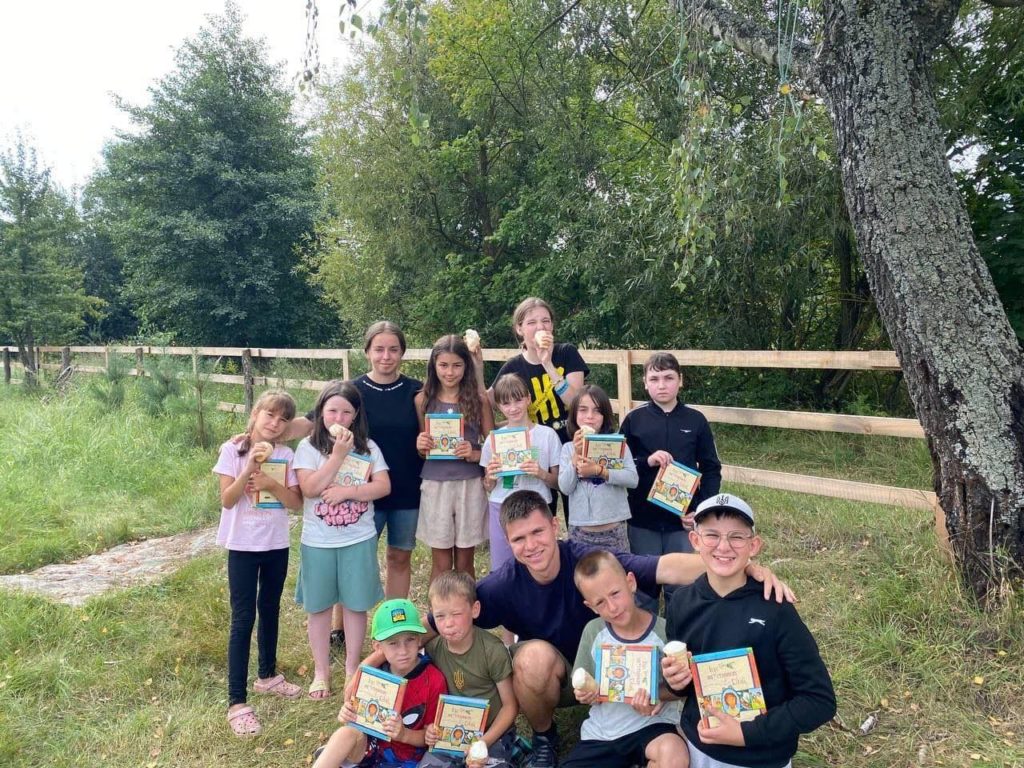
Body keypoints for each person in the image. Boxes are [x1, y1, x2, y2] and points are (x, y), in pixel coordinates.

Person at [472, 490, 793, 768]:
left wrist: (743, 566)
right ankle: (544, 736)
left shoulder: (590, 564)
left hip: (616, 679)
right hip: (562, 678)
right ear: (507, 541)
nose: (531, 545)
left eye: (538, 532)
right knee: (532, 658)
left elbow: (666, 567)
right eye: (519, 538)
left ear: (555, 526)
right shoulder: (502, 585)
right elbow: (452, 615)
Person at [662, 493, 836, 768]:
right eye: (712, 535)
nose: (724, 546)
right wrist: (675, 680)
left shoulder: (776, 610)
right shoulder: (681, 603)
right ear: (695, 541)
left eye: (736, 537)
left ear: (753, 545)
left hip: (760, 756)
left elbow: (819, 700)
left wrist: (746, 733)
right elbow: (686, 686)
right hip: (698, 748)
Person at [214, 389, 304, 736]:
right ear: (255, 414)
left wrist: (270, 482)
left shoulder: (286, 454)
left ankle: (267, 675)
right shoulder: (232, 450)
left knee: (270, 609)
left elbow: (295, 502)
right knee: (243, 616)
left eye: (283, 419)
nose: (275, 423)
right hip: (242, 545)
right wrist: (250, 467)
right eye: (270, 415)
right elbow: (227, 499)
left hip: (275, 543)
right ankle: (237, 701)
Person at [294, 380, 391, 698]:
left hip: (358, 537)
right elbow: (309, 489)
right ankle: (321, 671)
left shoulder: (369, 447)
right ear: (321, 411)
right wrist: (337, 456)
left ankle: (352, 667)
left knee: (355, 605)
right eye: (331, 410)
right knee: (319, 608)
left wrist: (348, 491)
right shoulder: (308, 448)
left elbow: (383, 486)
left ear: (355, 416)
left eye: (345, 412)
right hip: (318, 541)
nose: (338, 417)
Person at [563, 551, 687, 768]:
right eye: (600, 602)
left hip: (653, 727)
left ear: (631, 582)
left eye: (615, 593)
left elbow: (684, 688)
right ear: (590, 606)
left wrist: (658, 695)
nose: (612, 607)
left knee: (674, 754)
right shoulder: (593, 632)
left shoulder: (665, 632)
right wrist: (586, 693)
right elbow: (582, 685)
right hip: (603, 733)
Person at [621, 352, 722, 607]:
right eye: (654, 379)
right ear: (644, 383)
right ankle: (647, 637)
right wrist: (647, 461)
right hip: (643, 519)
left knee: (682, 587)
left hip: (683, 521)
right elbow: (620, 466)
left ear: (681, 380)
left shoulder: (695, 420)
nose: (662, 385)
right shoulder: (634, 420)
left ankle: (681, 636)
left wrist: (702, 509)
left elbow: (711, 468)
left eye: (668, 378)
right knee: (645, 588)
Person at [477, 297, 589, 523]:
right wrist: (478, 370)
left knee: (576, 517)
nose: (540, 327)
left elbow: (575, 401)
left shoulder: (566, 353)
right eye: (532, 322)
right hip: (535, 447)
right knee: (539, 516)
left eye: (546, 321)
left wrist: (547, 364)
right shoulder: (513, 367)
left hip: (571, 444)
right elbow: (486, 402)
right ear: (519, 329)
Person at [312, 599, 448, 768]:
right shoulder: (372, 677)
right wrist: (348, 714)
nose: (403, 650)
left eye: (410, 640)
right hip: (368, 750)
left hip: (406, 759)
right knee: (345, 734)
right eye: (393, 643)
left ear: (420, 639)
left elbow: (431, 738)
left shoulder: (434, 680)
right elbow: (356, 718)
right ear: (378, 646)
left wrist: (404, 734)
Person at [418, 571, 519, 768]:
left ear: (475, 609)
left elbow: (510, 706)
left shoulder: (492, 651)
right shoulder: (433, 647)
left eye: (456, 614)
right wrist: (428, 728)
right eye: (440, 616)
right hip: (449, 734)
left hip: (492, 734)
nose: (448, 623)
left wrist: (484, 742)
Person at [415, 335, 493, 583]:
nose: (450, 372)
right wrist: (420, 445)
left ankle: (467, 614)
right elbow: (422, 448)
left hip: (469, 484)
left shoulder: (478, 400)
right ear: (433, 366)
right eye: (444, 365)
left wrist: (474, 454)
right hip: (435, 484)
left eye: (457, 365)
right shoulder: (422, 399)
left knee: (464, 561)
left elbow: (493, 446)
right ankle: (438, 617)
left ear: (466, 366)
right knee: (440, 562)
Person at [480, 374, 561, 572]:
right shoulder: (493, 440)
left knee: (538, 566)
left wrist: (540, 473)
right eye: (506, 403)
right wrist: (490, 477)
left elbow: (559, 483)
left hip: (536, 505)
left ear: (528, 399)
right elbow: (488, 486)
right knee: (502, 568)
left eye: (518, 400)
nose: (513, 408)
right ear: (499, 406)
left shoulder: (547, 435)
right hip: (501, 506)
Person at [558, 385, 637, 552]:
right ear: (574, 414)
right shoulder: (567, 448)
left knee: (618, 575)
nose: (589, 417)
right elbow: (565, 488)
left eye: (597, 411)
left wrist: (600, 471)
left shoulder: (617, 444)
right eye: (583, 410)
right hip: (580, 530)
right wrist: (575, 457)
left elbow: (632, 479)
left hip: (614, 529)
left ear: (605, 415)